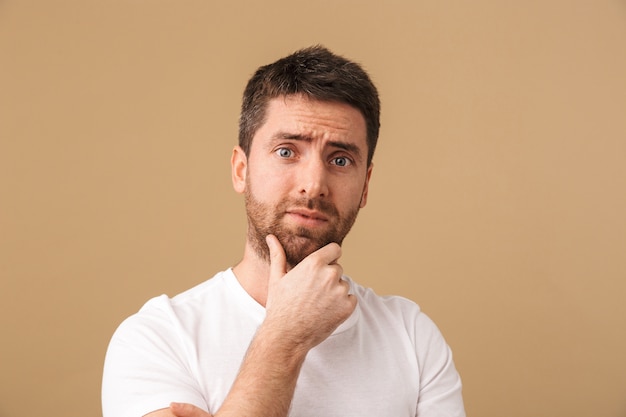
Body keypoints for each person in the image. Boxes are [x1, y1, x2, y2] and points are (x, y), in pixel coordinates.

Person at [102, 45, 465, 417]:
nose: (314, 184)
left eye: (340, 160)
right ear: (241, 170)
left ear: (366, 186)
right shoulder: (157, 338)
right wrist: (284, 337)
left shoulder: (412, 337)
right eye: (287, 152)